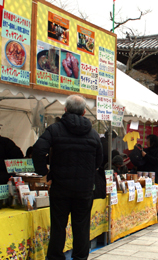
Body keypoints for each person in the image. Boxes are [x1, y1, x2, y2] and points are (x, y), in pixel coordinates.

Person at [32, 95, 102, 260]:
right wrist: (89, 173)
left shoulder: (55, 129)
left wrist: (44, 172)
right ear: (85, 112)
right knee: (81, 226)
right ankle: (80, 258)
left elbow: (38, 150)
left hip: (60, 187)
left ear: (65, 109)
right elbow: (99, 160)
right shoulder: (93, 134)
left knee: (58, 226)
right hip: (84, 189)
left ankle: (55, 257)